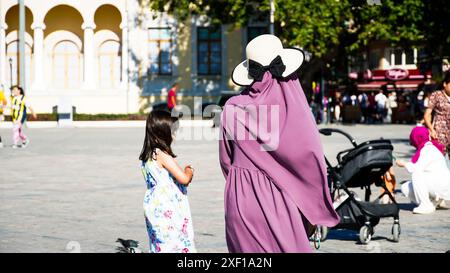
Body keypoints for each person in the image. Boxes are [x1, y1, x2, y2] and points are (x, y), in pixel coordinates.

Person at [220, 34, 339, 253]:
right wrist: (313, 205)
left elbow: (226, 162)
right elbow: (308, 160)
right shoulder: (294, 110)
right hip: (281, 200)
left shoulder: (232, 107)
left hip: (240, 201)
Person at [139, 110, 196, 253]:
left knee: (160, 244)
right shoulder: (162, 154)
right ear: (163, 133)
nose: (174, 135)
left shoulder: (148, 156)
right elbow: (184, 179)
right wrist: (189, 170)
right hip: (168, 206)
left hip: (154, 206)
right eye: (172, 131)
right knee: (175, 242)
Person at [396, 126, 450, 214]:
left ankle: (426, 205)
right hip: (437, 184)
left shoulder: (427, 150)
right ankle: (433, 201)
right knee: (405, 187)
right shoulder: (430, 147)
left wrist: (403, 163)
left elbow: (415, 168)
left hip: (440, 186)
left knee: (417, 174)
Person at [424, 71, 450, 155]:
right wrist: (431, 129)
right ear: (445, 84)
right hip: (440, 132)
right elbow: (427, 114)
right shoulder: (436, 95)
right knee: (440, 158)